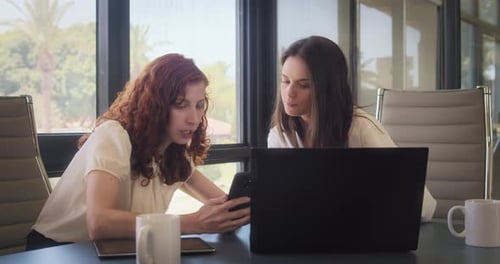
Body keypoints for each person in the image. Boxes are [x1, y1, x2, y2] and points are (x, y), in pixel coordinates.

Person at [27, 53, 250, 250]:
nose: (193, 118)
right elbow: (99, 223)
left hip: (118, 250)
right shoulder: (113, 135)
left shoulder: (174, 153)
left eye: (199, 105)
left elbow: (223, 203)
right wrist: (194, 222)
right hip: (58, 251)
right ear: (156, 105)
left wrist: (250, 210)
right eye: (181, 104)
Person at [267, 36, 436, 221]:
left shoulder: (361, 129)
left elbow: (424, 208)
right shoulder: (279, 136)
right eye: (285, 81)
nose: (290, 92)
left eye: (304, 85)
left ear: (327, 89)